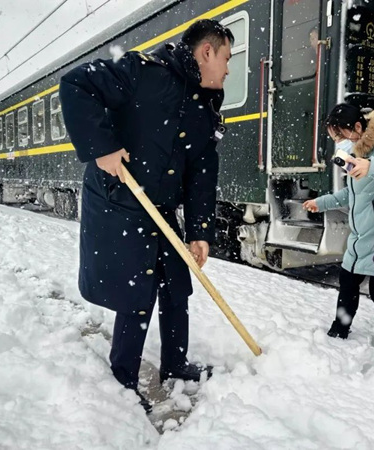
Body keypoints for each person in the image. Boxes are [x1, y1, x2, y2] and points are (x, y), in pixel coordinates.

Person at [59, 19, 234, 411]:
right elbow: (75, 83)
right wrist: (100, 146)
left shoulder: (206, 109)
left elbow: (202, 174)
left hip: (163, 209)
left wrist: (200, 231)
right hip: (123, 202)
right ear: (207, 52)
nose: (228, 68)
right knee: (136, 293)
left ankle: (175, 363)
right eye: (226, 58)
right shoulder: (142, 73)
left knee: (176, 287)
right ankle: (123, 376)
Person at [303, 102, 374, 360]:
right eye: (336, 137)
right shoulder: (356, 148)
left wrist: (373, 166)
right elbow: (354, 192)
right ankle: (339, 331)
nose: (341, 142)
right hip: (359, 239)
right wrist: (320, 203)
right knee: (348, 284)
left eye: (342, 135)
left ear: (358, 126)